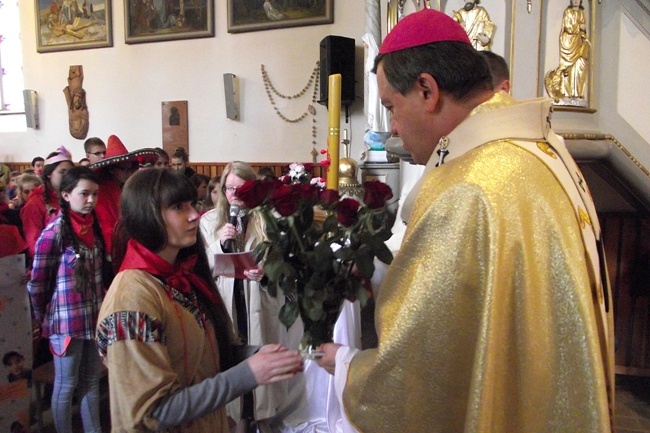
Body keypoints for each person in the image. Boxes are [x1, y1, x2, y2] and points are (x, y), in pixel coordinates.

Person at [316, 9, 614, 433]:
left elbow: (420, 371)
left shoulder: (467, 186)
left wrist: (346, 365)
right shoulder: (539, 148)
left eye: (391, 108)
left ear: (426, 90)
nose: (395, 128)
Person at [96, 168, 303, 432]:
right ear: (147, 216)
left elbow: (201, 355)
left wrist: (260, 354)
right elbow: (153, 413)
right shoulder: (132, 298)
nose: (194, 214)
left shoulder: (179, 277)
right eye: (178, 207)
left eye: (192, 204)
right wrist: (249, 372)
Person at [199, 161, 299, 432]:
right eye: (229, 188)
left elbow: (283, 268)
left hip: (258, 300)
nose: (234, 195)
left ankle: (262, 420)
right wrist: (219, 243)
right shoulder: (208, 221)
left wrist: (266, 273)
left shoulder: (269, 220)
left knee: (260, 365)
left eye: (241, 189)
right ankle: (238, 421)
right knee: (233, 363)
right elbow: (202, 268)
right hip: (227, 301)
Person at [27, 166, 106, 433]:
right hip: (66, 324)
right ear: (66, 194)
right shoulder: (54, 232)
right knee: (65, 385)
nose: (91, 200)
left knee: (91, 381)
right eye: (84, 194)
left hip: (92, 319)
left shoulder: (94, 228)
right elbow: (37, 282)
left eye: (95, 194)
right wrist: (44, 318)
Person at [89, 135, 158, 264]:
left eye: (132, 167)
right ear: (111, 170)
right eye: (124, 169)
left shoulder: (132, 187)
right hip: (116, 253)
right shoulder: (103, 193)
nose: (130, 172)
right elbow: (107, 228)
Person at [20, 147, 74, 263]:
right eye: (62, 171)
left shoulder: (71, 197)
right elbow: (34, 243)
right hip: (50, 262)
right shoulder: (35, 203)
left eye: (69, 172)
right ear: (49, 174)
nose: (67, 176)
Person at [545, 0, 590, 102]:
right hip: (568, 43)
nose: (575, 1)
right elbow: (568, 27)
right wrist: (579, 27)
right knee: (566, 70)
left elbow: (584, 29)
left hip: (578, 43)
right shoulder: (568, 12)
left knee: (580, 67)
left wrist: (584, 37)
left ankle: (577, 93)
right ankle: (566, 93)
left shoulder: (581, 13)